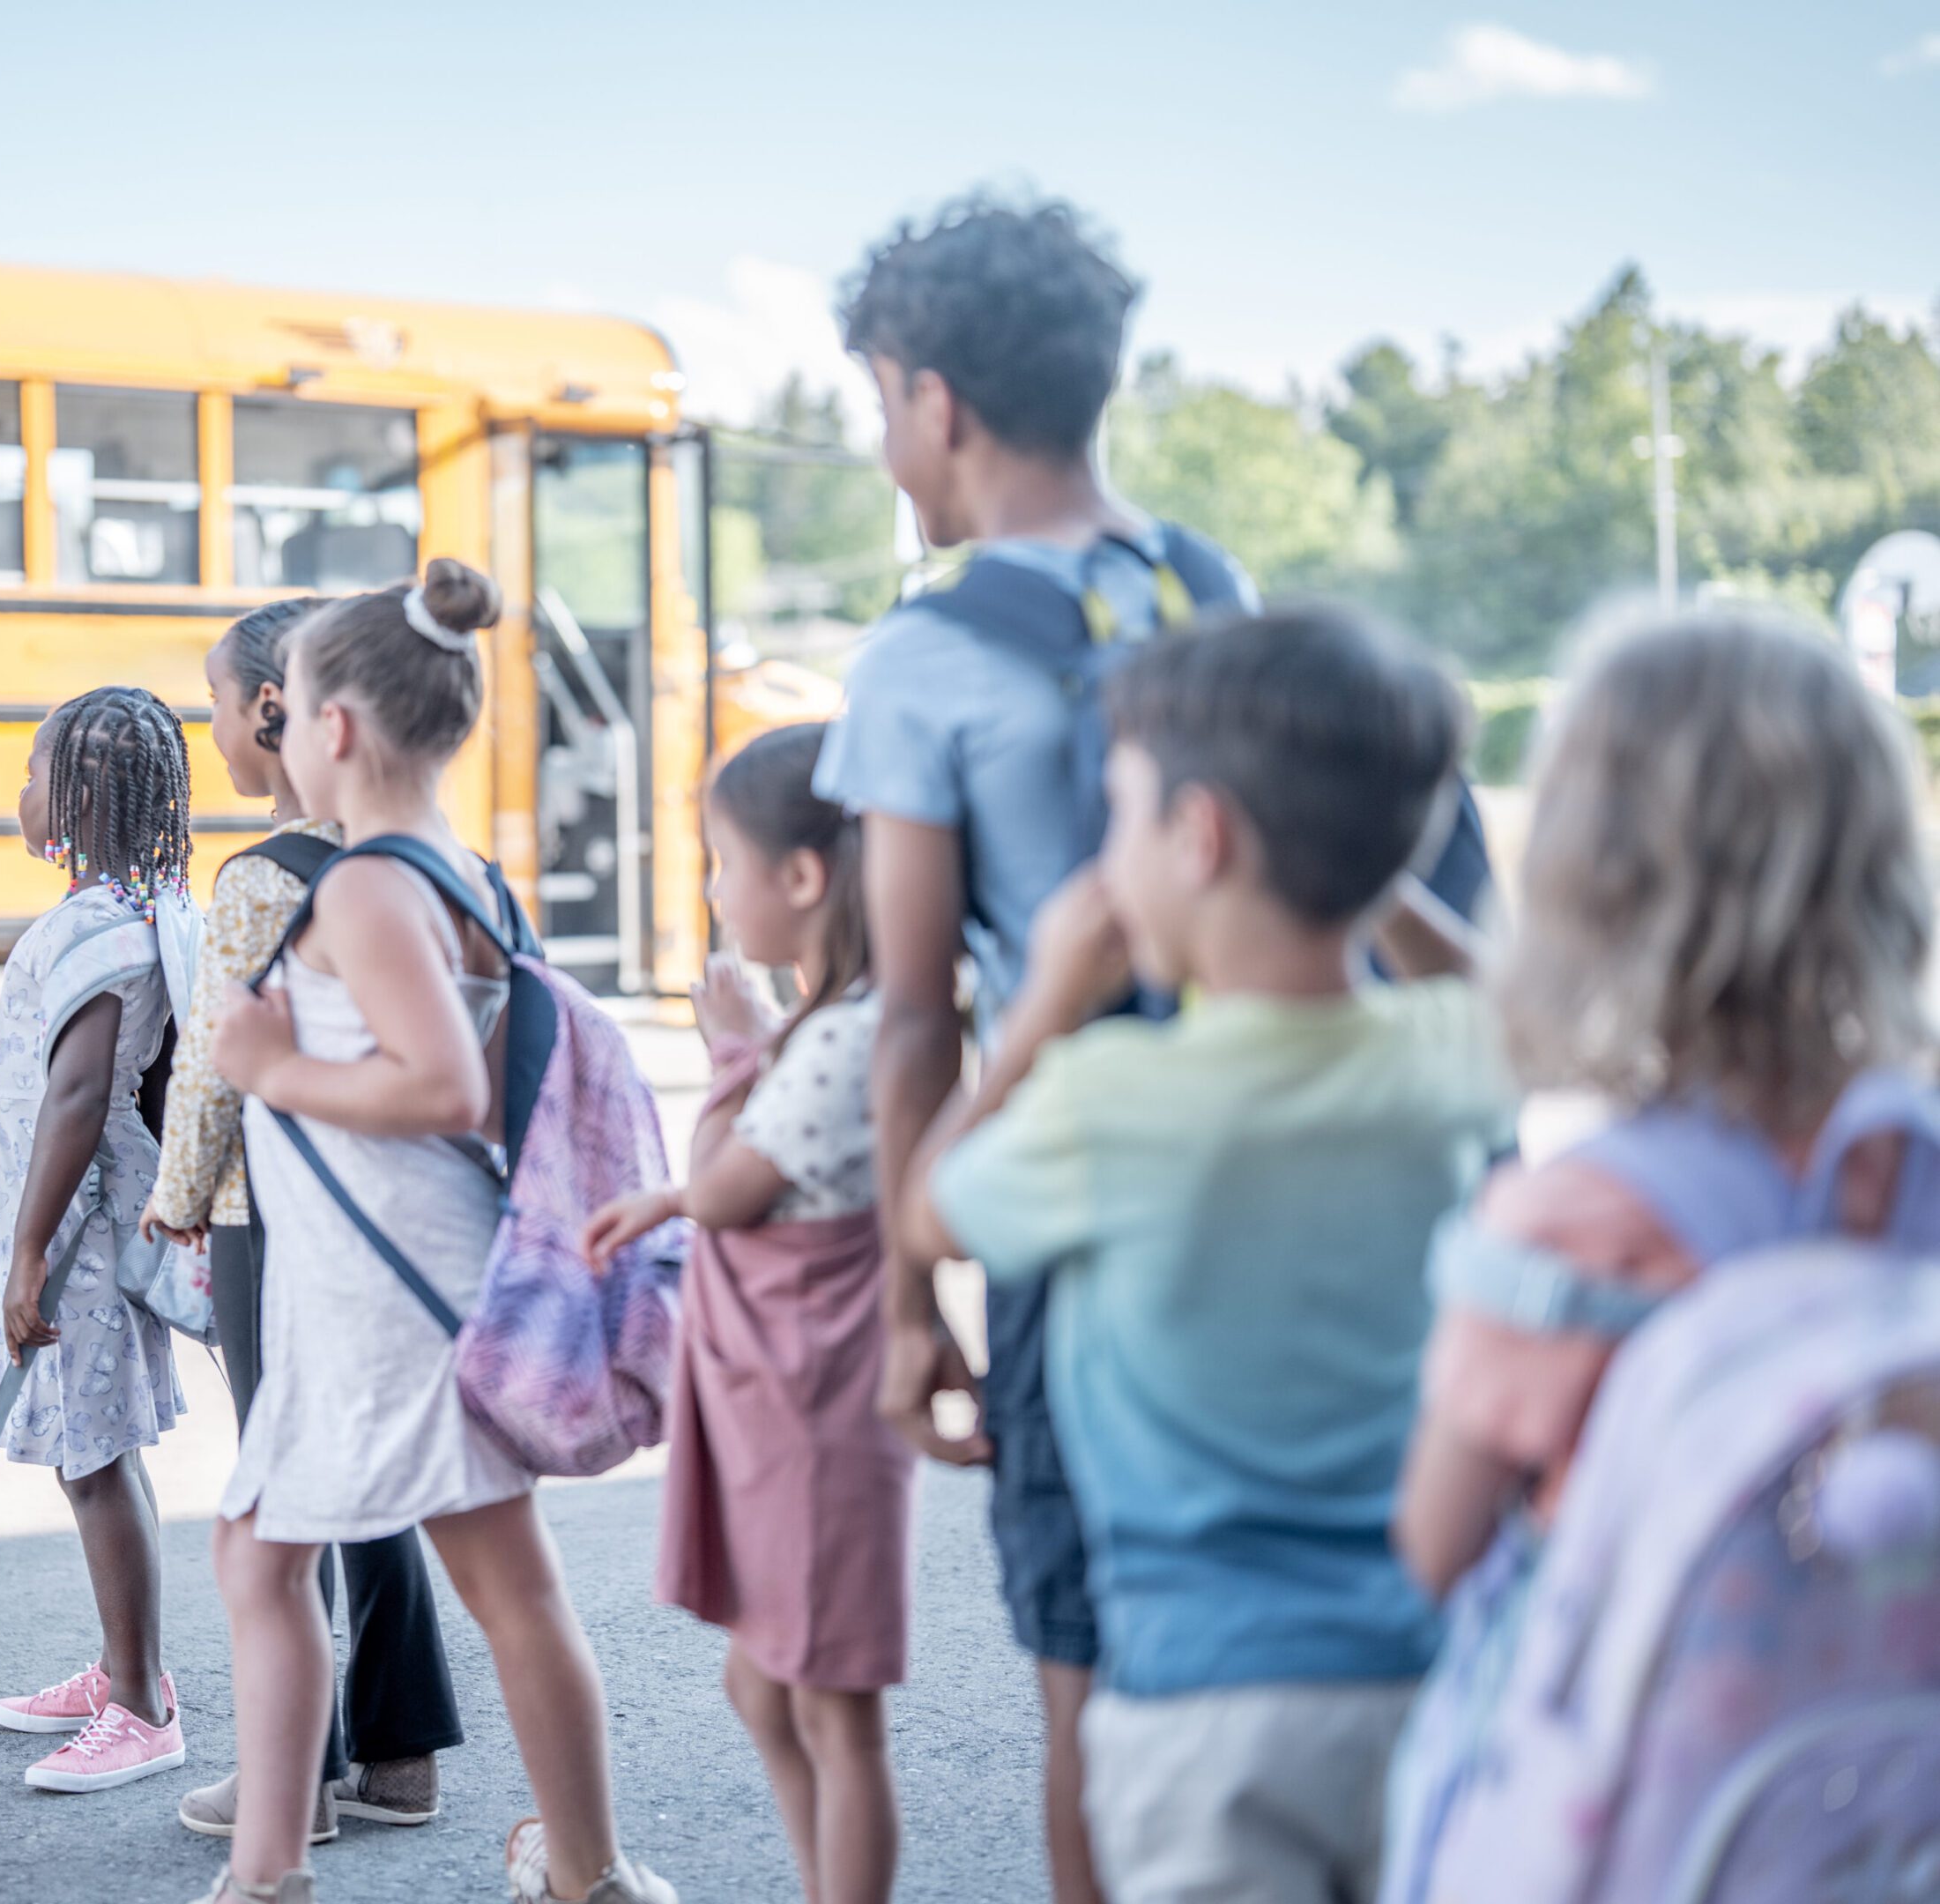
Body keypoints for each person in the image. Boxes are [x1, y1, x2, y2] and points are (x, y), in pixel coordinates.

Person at [904, 606, 1512, 1904]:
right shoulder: (1446, 1063)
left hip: (1202, 1705)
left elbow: (933, 1210)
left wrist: (1038, 1015)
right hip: (1437, 1670)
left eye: (1121, 821)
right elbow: (1518, 1010)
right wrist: (1368, 871)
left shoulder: (1107, 1098)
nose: (1105, 869)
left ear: (1202, 837)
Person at [810, 191, 1255, 1904]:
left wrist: (916, 1301)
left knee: (1086, 1664)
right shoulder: (1214, 588)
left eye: (876, 403)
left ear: (937, 401)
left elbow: (914, 1010)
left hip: (1075, 1197)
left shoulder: (922, 657)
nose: (883, 443)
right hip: (1263, 1167)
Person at [1382, 606, 1940, 1902]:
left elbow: (1436, 1542)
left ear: (1589, 882)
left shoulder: (1569, 1227)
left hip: (1649, 1824)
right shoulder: (1920, 1169)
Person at [203, 562, 676, 1904]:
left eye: (281, 710)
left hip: (397, 1294)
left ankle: (574, 1870)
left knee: (484, 1578)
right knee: (278, 1551)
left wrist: (267, 1065)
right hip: (391, 1285)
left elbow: (439, 1086)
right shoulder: (456, 872)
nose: (275, 735)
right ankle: (281, 1872)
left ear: (335, 730)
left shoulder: (362, 890)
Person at [144, 598, 462, 1847]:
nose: (213, 726)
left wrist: (175, 1206)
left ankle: (300, 1780)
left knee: (282, 1496)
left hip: (262, 1219)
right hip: (375, 1206)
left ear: (274, 713)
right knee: (370, 1479)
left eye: (220, 702)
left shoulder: (258, 880)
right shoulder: (399, 859)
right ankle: (398, 1754)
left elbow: (213, 1075)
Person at [583, 723, 912, 1904]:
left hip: (819, 1424)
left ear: (805, 879)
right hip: (792, 1416)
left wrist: (730, 1051)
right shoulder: (842, 1028)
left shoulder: (845, 1037)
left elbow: (731, 1184)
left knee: (831, 1707)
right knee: (767, 1686)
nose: (715, 891)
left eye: (722, 863)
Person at [0, 687, 197, 1795]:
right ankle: (124, 1668)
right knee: (96, 1455)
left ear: (78, 795)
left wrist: (28, 1251)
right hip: (76, 1220)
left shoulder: (97, 928)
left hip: (77, 1232)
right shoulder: (138, 909)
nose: (20, 793)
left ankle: (142, 1706)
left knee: (94, 1462)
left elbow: (80, 1095)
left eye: (31, 772)